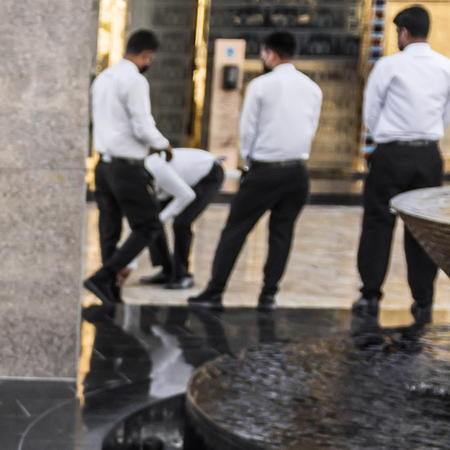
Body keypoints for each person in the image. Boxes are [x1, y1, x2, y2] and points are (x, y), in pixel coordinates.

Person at [189, 30, 318, 310]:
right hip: (297, 171)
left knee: (236, 229)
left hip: (265, 170)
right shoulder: (312, 88)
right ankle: (268, 294)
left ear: (269, 54)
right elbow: (311, 127)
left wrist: (249, 163)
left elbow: (247, 131)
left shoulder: (261, 85)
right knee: (282, 233)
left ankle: (215, 291)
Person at [354, 5, 450, 322]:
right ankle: (423, 299)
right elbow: (448, 114)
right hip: (427, 154)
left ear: (404, 32)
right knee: (422, 229)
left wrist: (384, 137)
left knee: (377, 223)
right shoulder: (447, 66)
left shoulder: (389, 65)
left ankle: (371, 295)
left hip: (391, 153)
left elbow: (370, 112)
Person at [84, 28, 172, 308]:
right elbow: (142, 124)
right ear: (147, 54)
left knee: (109, 227)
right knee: (148, 224)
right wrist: (163, 144)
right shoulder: (134, 80)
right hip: (126, 167)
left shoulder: (104, 78)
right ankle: (105, 275)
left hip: (104, 165)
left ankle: (110, 289)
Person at [143, 144, 225, 287]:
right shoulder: (140, 173)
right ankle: (167, 270)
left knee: (182, 223)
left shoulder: (156, 169)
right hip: (183, 179)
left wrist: (161, 219)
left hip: (208, 173)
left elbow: (186, 195)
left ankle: (183, 275)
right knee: (150, 219)